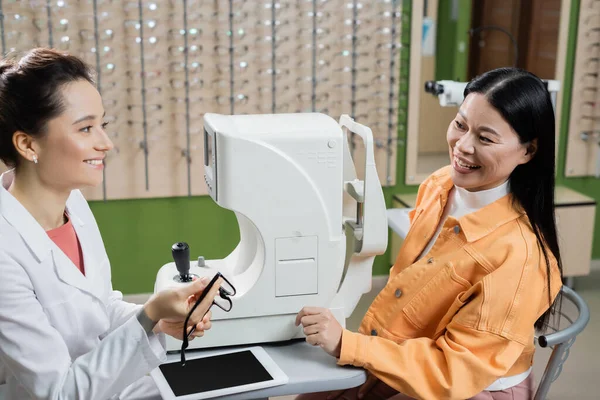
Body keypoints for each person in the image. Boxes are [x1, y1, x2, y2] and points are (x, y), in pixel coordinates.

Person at [295, 68, 563, 400]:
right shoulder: (440, 185)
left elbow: (454, 371)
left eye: (485, 138)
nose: (463, 146)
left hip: (465, 386)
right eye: (461, 125)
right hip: (408, 359)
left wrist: (347, 344)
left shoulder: (518, 256)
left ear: (528, 151)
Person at [0, 48, 215, 399]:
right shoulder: (4, 250)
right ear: (27, 144)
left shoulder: (72, 202)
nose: (106, 143)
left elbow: (98, 309)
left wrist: (157, 317)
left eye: (103, 125)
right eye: (86, 128)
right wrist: (149, 314)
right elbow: (60, 392)